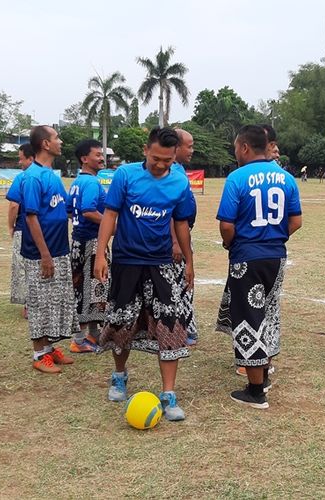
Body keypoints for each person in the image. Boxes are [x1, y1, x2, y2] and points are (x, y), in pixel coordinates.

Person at [94, 127, 195, 421]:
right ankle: (119, 376)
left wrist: (189, 261)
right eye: (156, 158)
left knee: (171, 324)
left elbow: (181, 223)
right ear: (145, 150)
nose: (162, 165)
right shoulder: (125, 176)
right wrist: (101, 254)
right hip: (127, 261)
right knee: (121, 321)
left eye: (168, 159)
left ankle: (169, 394)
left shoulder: (179, 181)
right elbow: (110, 215)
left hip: (162, 263)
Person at [215, 125, 302, 409]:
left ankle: (256, 390)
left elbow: (227, 225)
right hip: (276, 256)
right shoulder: (287, 178)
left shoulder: (237, 178)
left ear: (244, 147)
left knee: (248, 317)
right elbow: (296, 221)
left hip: (246, 256)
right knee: (267, 313)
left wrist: (233, 244)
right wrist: (274, 239)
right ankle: (263, 373)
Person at [18, 126, 77, 373]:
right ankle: (38, 354)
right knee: (40, 302)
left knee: (55, 301)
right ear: (45, 144)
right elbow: (31, 218)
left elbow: (61, 210)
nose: (60, 141)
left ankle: (49, 349)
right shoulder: (33, 177)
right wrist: (44, 255)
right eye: (56, 138)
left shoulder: (52, 175)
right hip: (41, 254)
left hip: (59, 249)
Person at [68, 139, 108, 353]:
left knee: (91, 290)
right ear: (85, 159)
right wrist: (113, 225)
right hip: (90, 243)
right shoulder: (91, 183)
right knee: (89, 289)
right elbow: (88, 211)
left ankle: (93, 334)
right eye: (97, 154)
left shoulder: (76, 182)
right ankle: (79, 339)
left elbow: (69, 211)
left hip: (77, 241)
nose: (102, 158)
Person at [172, 128, 198, 346]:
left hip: (183, 234)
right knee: (181, 284)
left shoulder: (178, 169)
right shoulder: (171, 172)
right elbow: (171, 211)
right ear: (176, 147)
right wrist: (176, 243)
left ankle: (186, 328)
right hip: (175, 239)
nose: (192, 150)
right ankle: (183, 330)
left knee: (184, 283)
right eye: (189, 146)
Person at [6, 144, 34, 318]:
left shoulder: (22, 178)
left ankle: (28, 305)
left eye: (21, 158)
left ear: (30, 158)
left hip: (24, 230)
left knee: (23, 267)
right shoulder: (49, 176)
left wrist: (10, 226)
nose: (19, 162)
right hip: (47, 232)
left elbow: (14, 205)